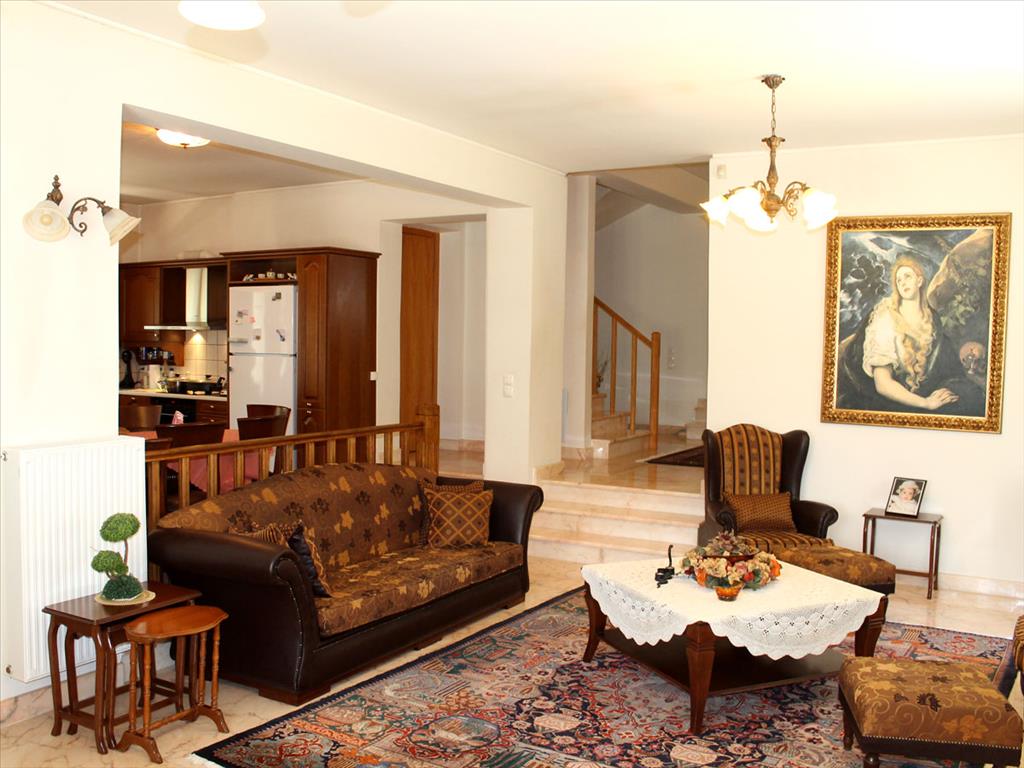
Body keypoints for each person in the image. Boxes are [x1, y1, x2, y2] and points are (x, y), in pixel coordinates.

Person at [836, 255, 978, 414]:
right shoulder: (885, 317)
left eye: (907, 276)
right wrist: (926, 403)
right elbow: (882, 384)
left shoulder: (931, 318)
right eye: (899, 280)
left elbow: (945, 364)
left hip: (922, 393)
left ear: (919, 281)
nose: (903, 282)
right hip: (886, 399)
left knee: (969, 396)